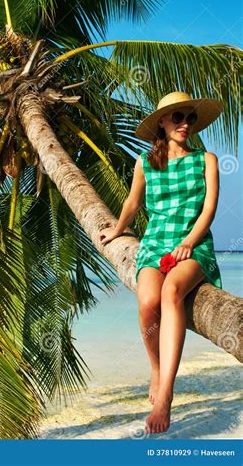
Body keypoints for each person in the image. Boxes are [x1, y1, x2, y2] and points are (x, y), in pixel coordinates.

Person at [99, 91, 223, 434]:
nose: (185, 124)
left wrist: (188, 242)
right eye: (178, 117)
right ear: (162, 123)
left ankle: (166, 391)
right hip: (154, 246)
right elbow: (133, 202)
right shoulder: (144, 162)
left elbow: (209, 209)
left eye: (190, 118)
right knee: (147, 304)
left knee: (171, 293)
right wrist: (117, 231)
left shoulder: (206, 160)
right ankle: (155, 368)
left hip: (193, 246)